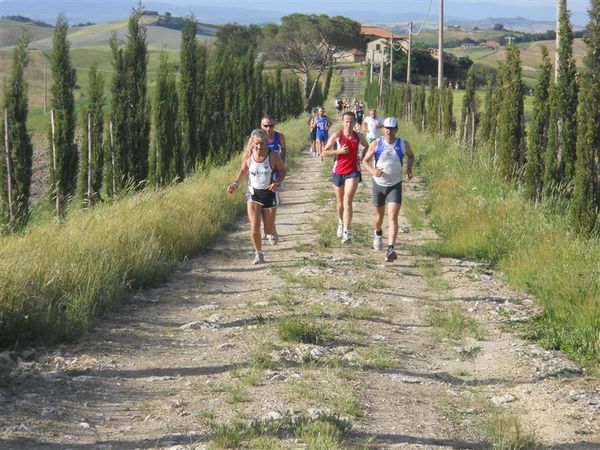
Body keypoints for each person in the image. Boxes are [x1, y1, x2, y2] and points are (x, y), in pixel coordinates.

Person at [228, 129, 285, 264]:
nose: (260, 146)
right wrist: (235, 184)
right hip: (254, 194)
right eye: (257, 144)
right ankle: (259, 253)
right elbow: (243, 170)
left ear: (266, 143)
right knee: (254, 228)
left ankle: (273, 230)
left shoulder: (273, 155)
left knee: (268, 230)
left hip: (270, 194)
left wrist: (277, 183)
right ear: (252, 143)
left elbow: (282, 171)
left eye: (263, 143)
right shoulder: (248, 156)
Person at [362, 117, 414, 262]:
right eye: (386, 128)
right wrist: (373, 172)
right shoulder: (376, 143)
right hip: (379, 184)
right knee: (378, 217)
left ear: (396, 130)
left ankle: (390, 248)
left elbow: (410, 155)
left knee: (392, 217)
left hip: (395, 185)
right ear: (382, 129)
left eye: (391, 129)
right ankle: (378, 233)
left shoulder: (403, 144)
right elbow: (365, 161)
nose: (389, 131)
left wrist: (409, 169)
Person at [321, 111, 369, 243]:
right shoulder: (337, 136)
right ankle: (341, 222)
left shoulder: (359, 136)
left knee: (348, 200)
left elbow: (367, 147)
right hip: (338, 172)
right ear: (343, 122)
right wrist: (339, 151)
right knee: (340, 202)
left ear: (354, 123)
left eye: (351, 122)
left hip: (352, 172)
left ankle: (347, 232)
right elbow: (324, 152)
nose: (348, 124)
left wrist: (363, 156)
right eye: (346, 122)